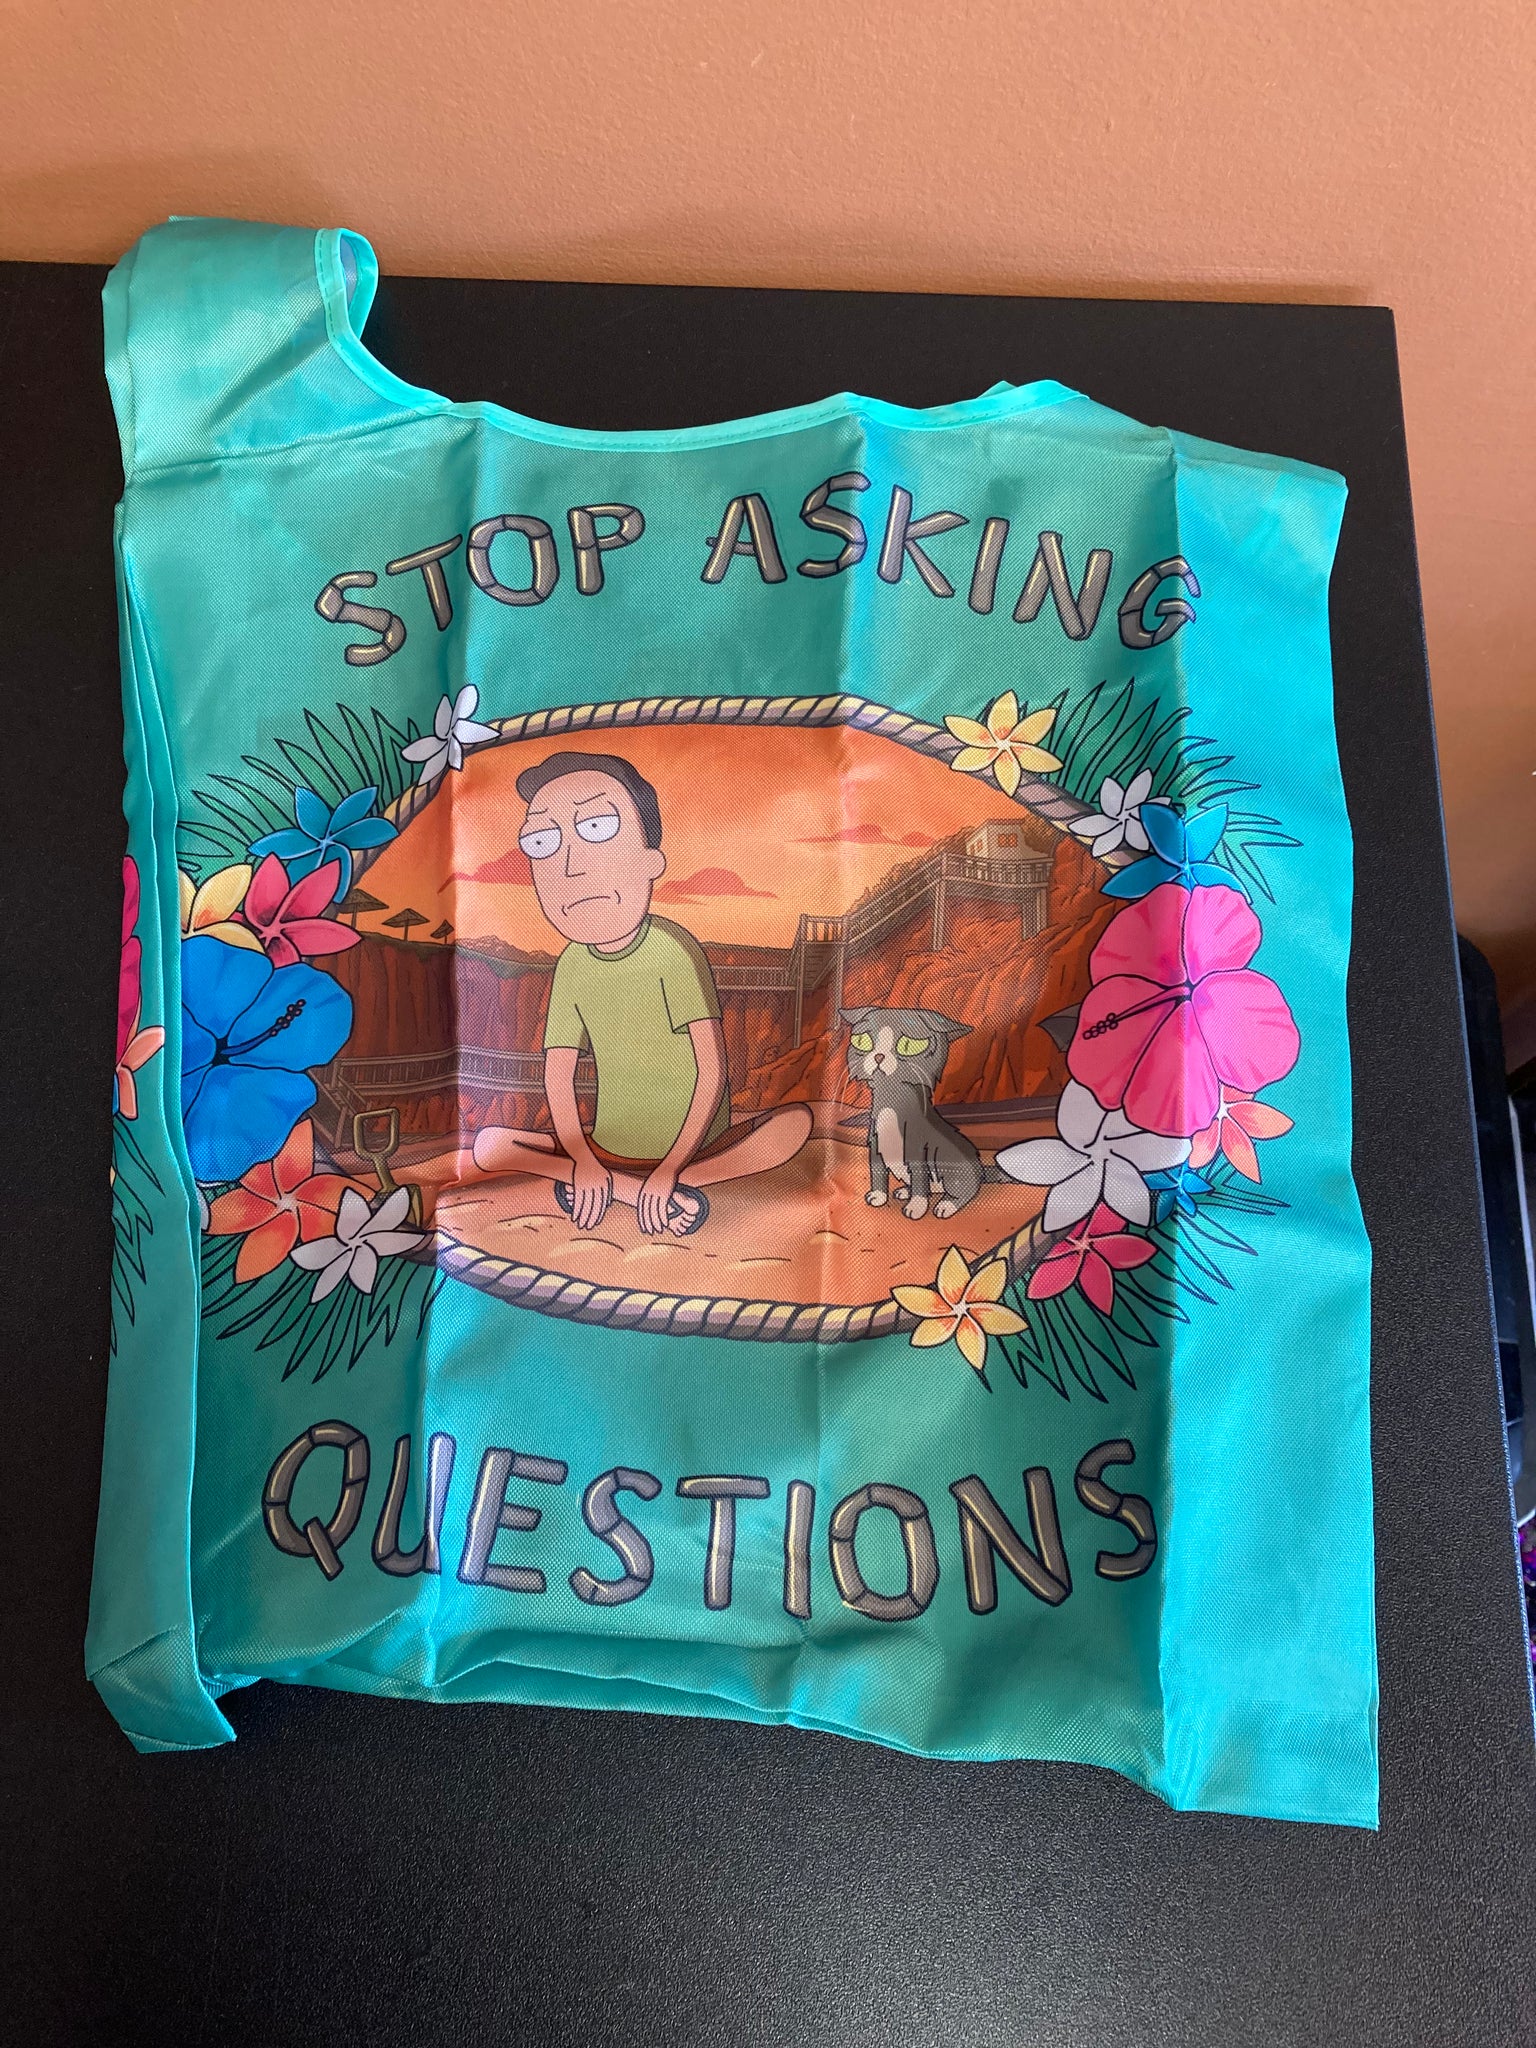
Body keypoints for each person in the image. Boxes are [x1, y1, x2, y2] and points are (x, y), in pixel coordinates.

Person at [468, 750, 811, 1236]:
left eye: (597, 828)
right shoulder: (572, 964)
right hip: (609, 1147)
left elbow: (711, 1069)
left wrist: (670, 1166)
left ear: (652, 861)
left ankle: (657, 1185)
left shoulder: (672, 950)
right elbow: (558, 1074)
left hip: (696, 1147)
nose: (570, 865)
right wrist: (584, 1159)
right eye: (542, 841)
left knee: (793, 1124)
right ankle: (635, 1190)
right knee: (488, 1145)